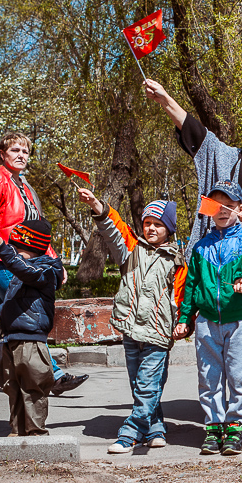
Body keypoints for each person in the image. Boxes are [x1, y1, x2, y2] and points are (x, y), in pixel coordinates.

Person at [145, 79, 242, 434]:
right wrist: (166, 99)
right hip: (220, 264)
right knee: (220, 337)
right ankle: (222, 413)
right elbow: (196, 132)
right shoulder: (228, 160)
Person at [0, 133, 86, 396]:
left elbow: (36, 230)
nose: (21, 155)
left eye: (25, 151)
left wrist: (55, 261)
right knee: (28, 313)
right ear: (3, 154)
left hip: (25, 258)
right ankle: (55, 374)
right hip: (3, 261)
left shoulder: (24, 186)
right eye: (15, 150)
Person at [77, 189, 185, 454]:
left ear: (168, 229)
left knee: (148, 384)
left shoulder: (177, 261)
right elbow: (114, 228)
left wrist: (184, 322)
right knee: (141, 384)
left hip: (159, 333)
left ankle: (130, 432)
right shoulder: (130, 250)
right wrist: (96, 205)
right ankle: (156, 426)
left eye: (157, 225)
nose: (150, 228)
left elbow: (183, 295)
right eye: (147, 223)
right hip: (130, 329)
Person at [174, 181, 242, 456]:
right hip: (207, 322)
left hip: (239, 320)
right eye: (216, 205)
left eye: (228, 205)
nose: (222, 210)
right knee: (209, 376)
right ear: (209, 210)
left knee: (239, 375)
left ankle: (236, 425)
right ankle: (213, 426)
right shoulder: (201, 247)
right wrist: (185, 317)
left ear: (240, 208)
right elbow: (190, 285)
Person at [0, 219, 64, 436]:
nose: (16, 254)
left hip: (31, 338)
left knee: (33, 385)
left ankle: (35, 432)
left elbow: (26, 271)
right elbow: (12, 300)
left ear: (35, 248)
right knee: (12, 386)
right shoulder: (21, 273)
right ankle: (17, 429)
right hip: (12, 337)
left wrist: (3, 250)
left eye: (19, 249)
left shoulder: (46, 270)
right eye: (13, 249)